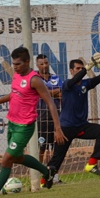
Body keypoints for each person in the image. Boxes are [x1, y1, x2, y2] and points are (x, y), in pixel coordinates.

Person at [0, 47, 66, 198]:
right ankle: (47, 172)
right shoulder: (17, 76)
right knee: (17, 158)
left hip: (24, 127)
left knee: (6, 160)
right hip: (12, 123)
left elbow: (50, 102)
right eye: (13, 64)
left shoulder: (35, 80)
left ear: (27, 62)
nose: (15, 67)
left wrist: (57, 127)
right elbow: (13, 94)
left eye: (18, 64)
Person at [46, 56, 100, 179]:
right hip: (66, 128)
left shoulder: (86, 84)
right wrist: (87, 68)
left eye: (81, 68)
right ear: (71, 70)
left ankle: (91, 164)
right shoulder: (67, 84)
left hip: (81, 126)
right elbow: (76, 79)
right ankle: (45, 181)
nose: (80, 70)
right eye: (77, 68)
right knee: (57, 158)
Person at [36, 53, 63, 184]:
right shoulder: (35, 79)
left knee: (55, 149)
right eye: (41, 63)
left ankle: (54, 176)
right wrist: (54, 92)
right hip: (41, 119)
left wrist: (47, 93)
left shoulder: (56, 78)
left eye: (46, 63)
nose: (44, 65)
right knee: (41, 148)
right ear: (37, 65)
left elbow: (62, 94)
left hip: (56, 118)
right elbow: (39, 94)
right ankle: (37, 175)